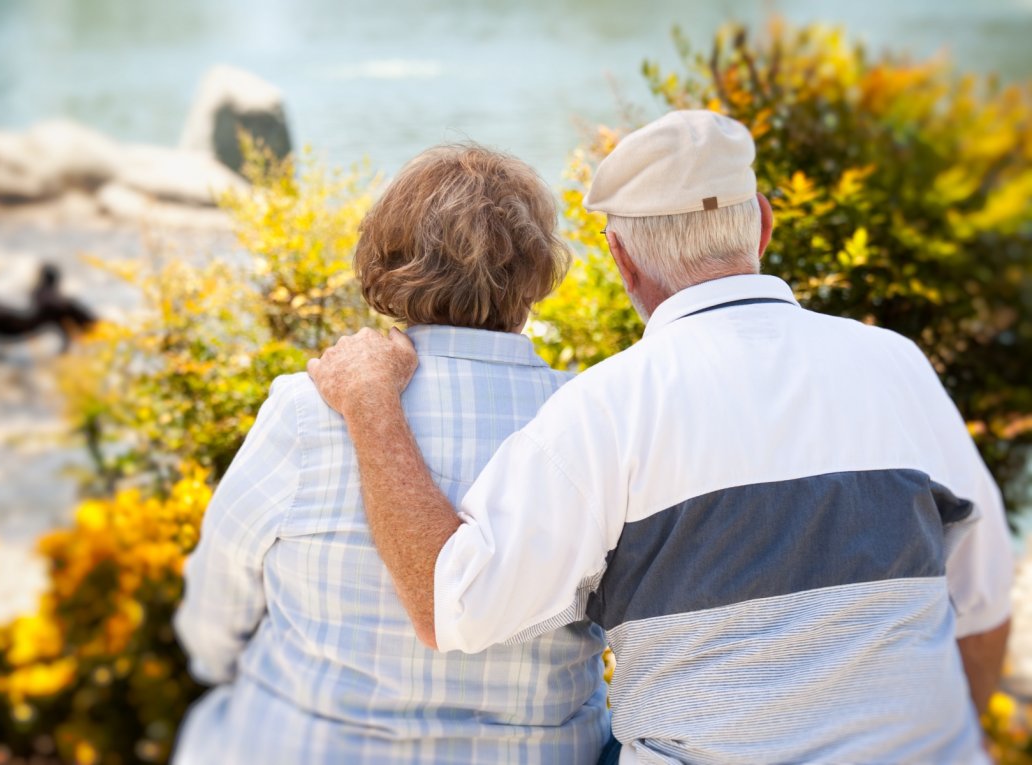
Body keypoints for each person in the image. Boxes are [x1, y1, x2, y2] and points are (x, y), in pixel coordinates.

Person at [306, 111, 1014, 764]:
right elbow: (983, 604)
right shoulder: (896, 364)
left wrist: (372, 403)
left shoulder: (606, 408)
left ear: (622, 259)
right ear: (762, 225)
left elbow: (447, 605)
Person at [173, 145, 610, 764]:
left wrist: (215, 664)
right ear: (537, 271)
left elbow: (218, 603)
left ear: (387, 258)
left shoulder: (308, 408)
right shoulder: (589, 419)